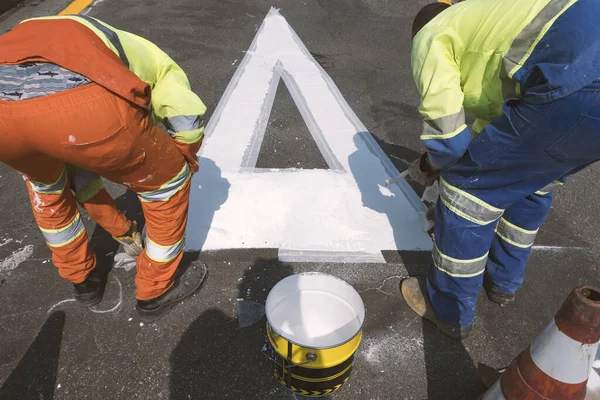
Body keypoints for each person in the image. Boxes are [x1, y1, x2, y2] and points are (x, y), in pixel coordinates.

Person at [401, 0, 600, 339]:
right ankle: (504, 282)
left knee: (468, 188)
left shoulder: (432, 34)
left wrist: (433, 163)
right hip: (578, 73)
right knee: (533, 178)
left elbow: (449, 143)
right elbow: (501, 126)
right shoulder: (488, 21)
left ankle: (449, 309)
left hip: (578, 79)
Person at [0, 15, 208, 322]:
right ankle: (156, 290)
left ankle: (83, 281)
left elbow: (79, 168)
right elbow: (185, 115)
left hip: (6, 115)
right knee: (168, 184)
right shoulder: (158, 63)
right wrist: (184, 157)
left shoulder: (38, 30)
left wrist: (122, 231)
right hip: (84, 104)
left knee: (48, 190)